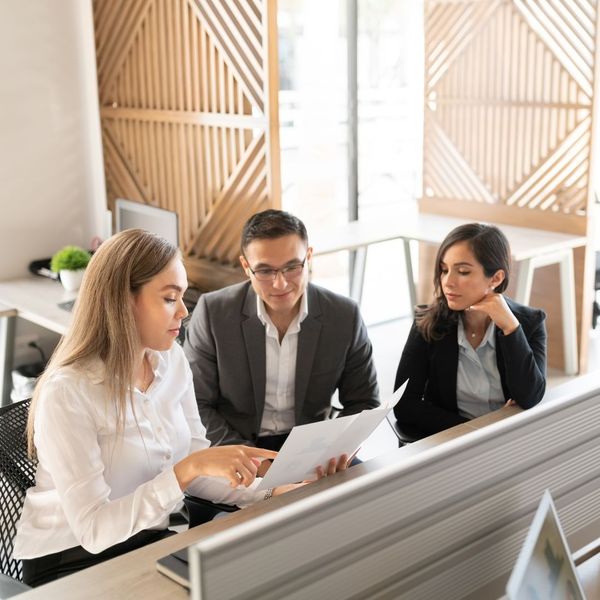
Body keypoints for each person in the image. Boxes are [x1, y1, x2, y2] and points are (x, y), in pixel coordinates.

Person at [14, 229, 340, 587]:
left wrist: (268, 491)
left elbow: (198, 465)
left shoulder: (171, 362)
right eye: (170, 298)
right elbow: (94, 530)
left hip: (149, 538)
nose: (184, 312)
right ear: (124, 302)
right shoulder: (69, 392)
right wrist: (184, 471)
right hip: (71, 560)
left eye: (183, 296)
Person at [183, 209, 380, 457]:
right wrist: (253, 461)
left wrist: (335, 449)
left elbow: (364, 402)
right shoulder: (213, 313)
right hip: (234, 446)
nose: (281, 284)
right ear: (246, 266)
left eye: (292, 267)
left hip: (314, 449)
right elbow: (195, 404)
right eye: (265, 271)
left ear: (308, 257)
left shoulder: (344, 315)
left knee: (370, 492)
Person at [393, 222, 547, 439]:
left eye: (463, 272)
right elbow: (404, 405)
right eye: (444, 270)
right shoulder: (427, 322)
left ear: (496, 278)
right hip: (450, 444)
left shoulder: (530, 323)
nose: (448, 282)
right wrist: (481, 428)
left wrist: (510, 328)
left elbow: (531, 397)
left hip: (510, 443)